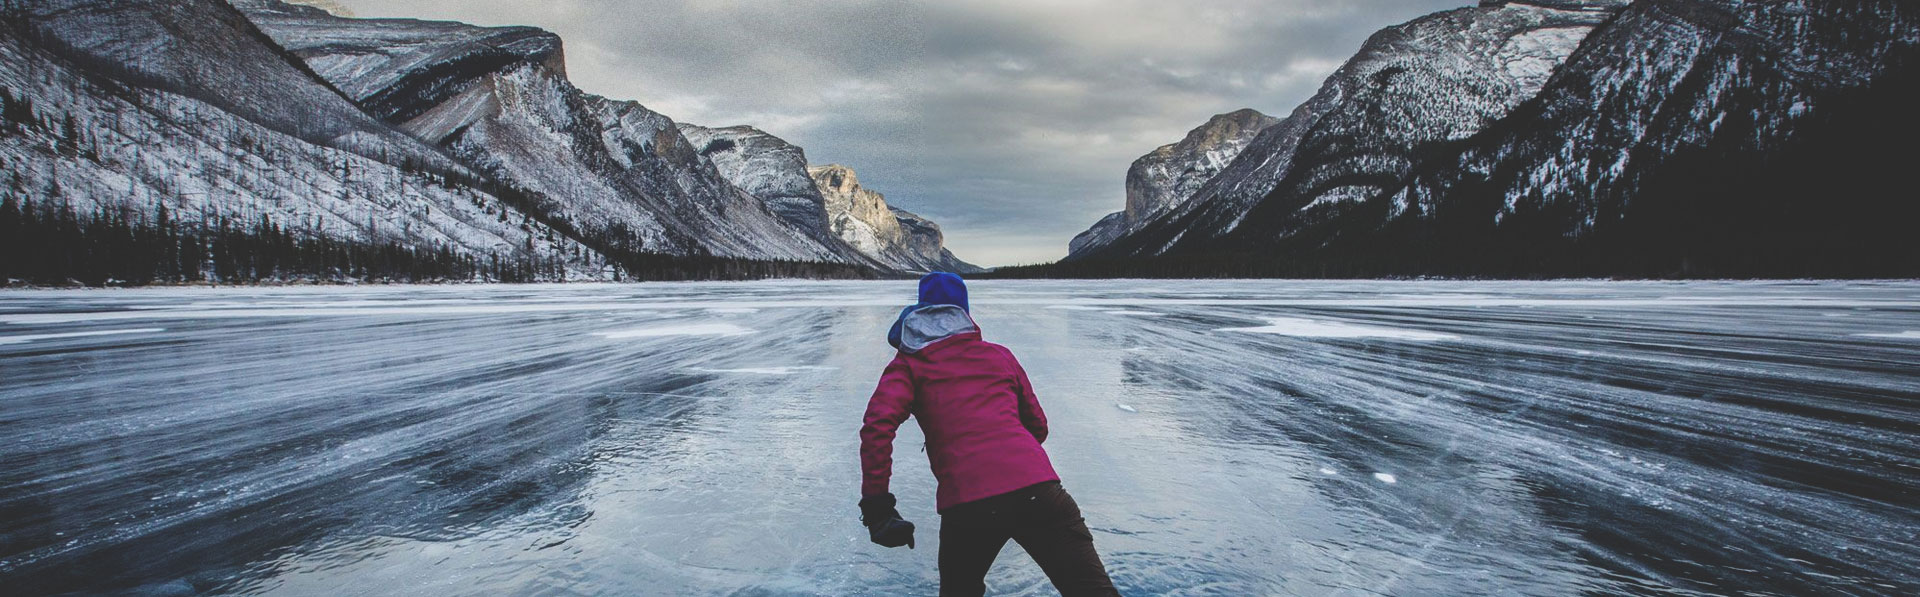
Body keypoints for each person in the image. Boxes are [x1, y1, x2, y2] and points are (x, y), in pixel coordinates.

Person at [858, 272, 1120, 596]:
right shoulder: (998, 355)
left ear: (921, 309)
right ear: (965, 313)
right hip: (1039, 491)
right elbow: (1038, 425)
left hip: (968, 505)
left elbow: (876, 427)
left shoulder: (909, 365)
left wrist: (877, 506)